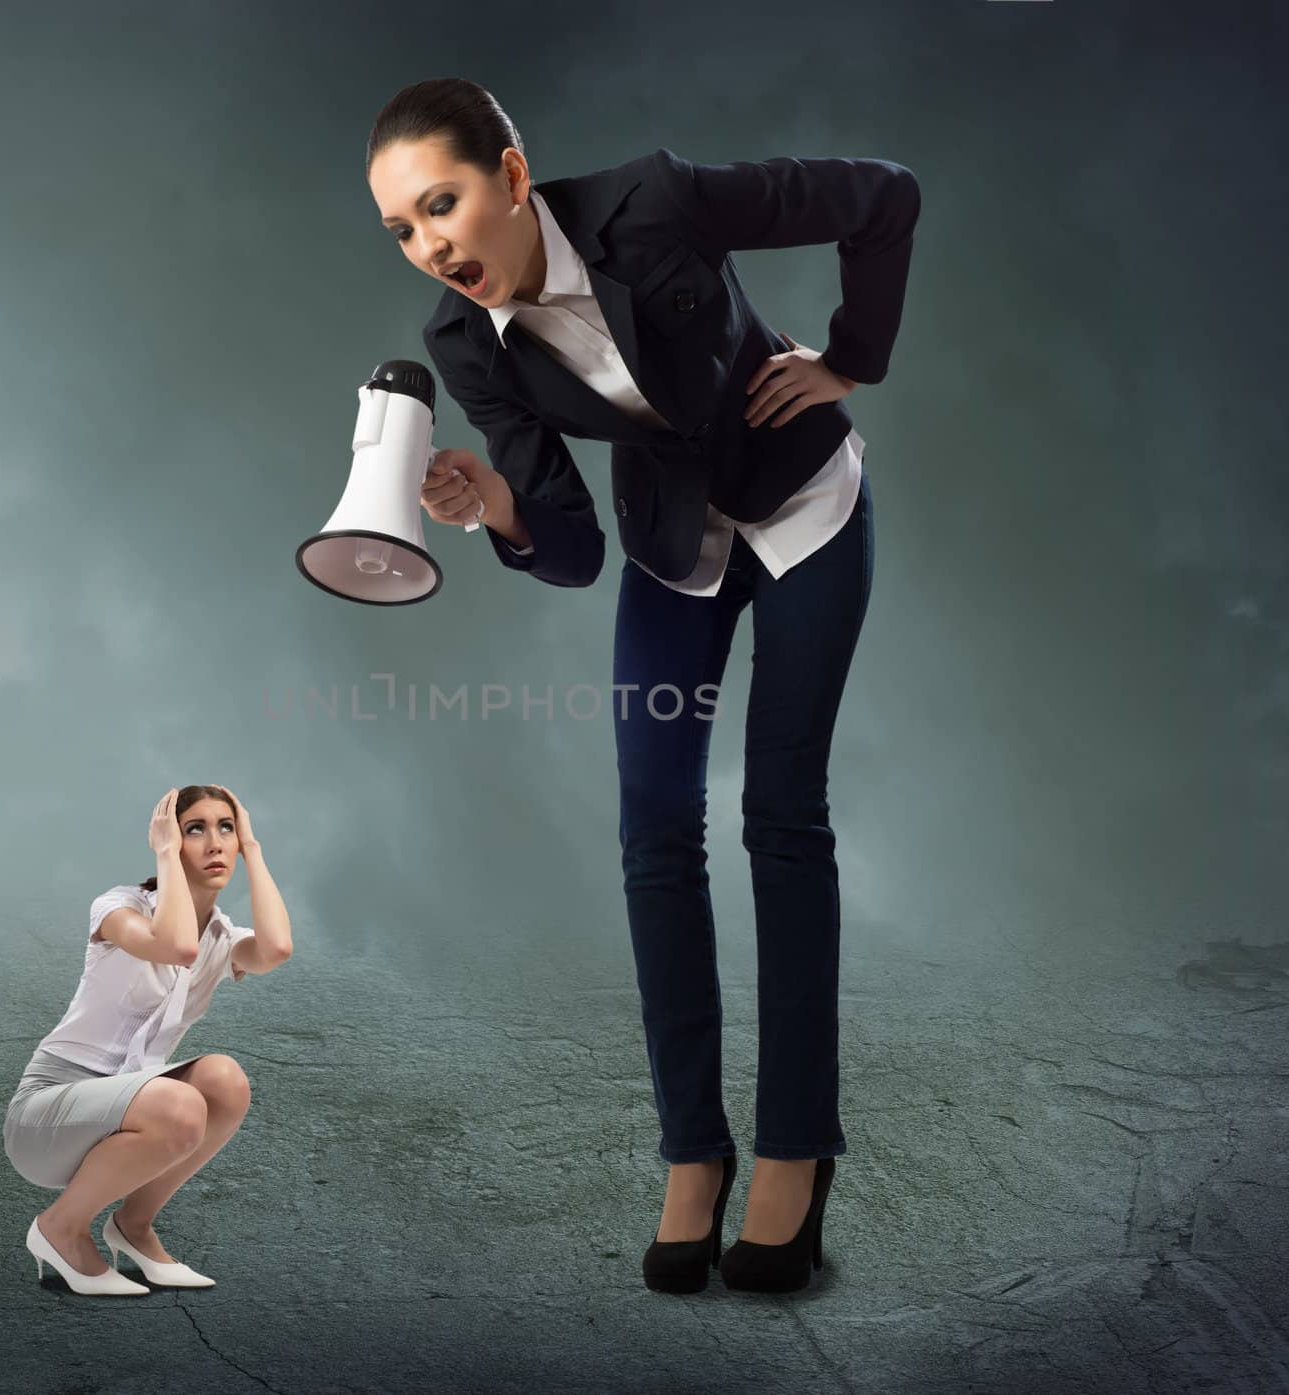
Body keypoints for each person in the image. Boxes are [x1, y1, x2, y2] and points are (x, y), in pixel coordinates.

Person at [366, 78, 918, 1295]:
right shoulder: (464, 342)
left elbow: (881, 200)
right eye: (402, 229)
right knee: (653, 832)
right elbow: (564, 552)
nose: (431, 246)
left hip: (806, 507)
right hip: (674, 544)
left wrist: (851, 362)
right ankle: (692, 1156)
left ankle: (793, 1151)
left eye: (443, 204)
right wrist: (494, 502)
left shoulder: (654, 204)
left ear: (512, 177)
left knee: (783, 817)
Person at [2, 784, 292, 1295]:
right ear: (170, 840)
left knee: (226, 1081)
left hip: (133, 1110)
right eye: (194, 830)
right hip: (46, 1119)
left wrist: (256, 849)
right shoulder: (120, 908)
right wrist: (163, 854)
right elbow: (175, 945)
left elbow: (276, 950)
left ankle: (133, 1227)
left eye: (226, 828)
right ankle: (59, 1227)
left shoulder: (222, 938)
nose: (216, 843)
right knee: (181, 1105)